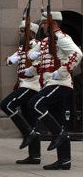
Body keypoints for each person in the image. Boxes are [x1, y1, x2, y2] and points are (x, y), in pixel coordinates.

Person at [23, 11, 82, 170]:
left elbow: (77, 54)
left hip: (60, 82)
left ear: (52, 23)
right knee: (60, 120)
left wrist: (62, 71)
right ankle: (64, 161)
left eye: (44, 23)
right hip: (49, 83)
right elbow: (34, 55)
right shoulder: (47, 40)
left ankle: (59, 134)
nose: (42, 25)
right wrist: (32, 52)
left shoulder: (62, 38)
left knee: (34, 104)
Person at [0, 20, 41, 164]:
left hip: (32, 86)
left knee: (6, 105)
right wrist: (11, 59)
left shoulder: (37, 46)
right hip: (23, 85)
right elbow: (9, 61)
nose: (19, 33)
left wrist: (26, 69)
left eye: (22, 31)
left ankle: (27, 133)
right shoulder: (22, 48)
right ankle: (35, 156)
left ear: (31, 33)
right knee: (30, 119)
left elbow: (37, 66)